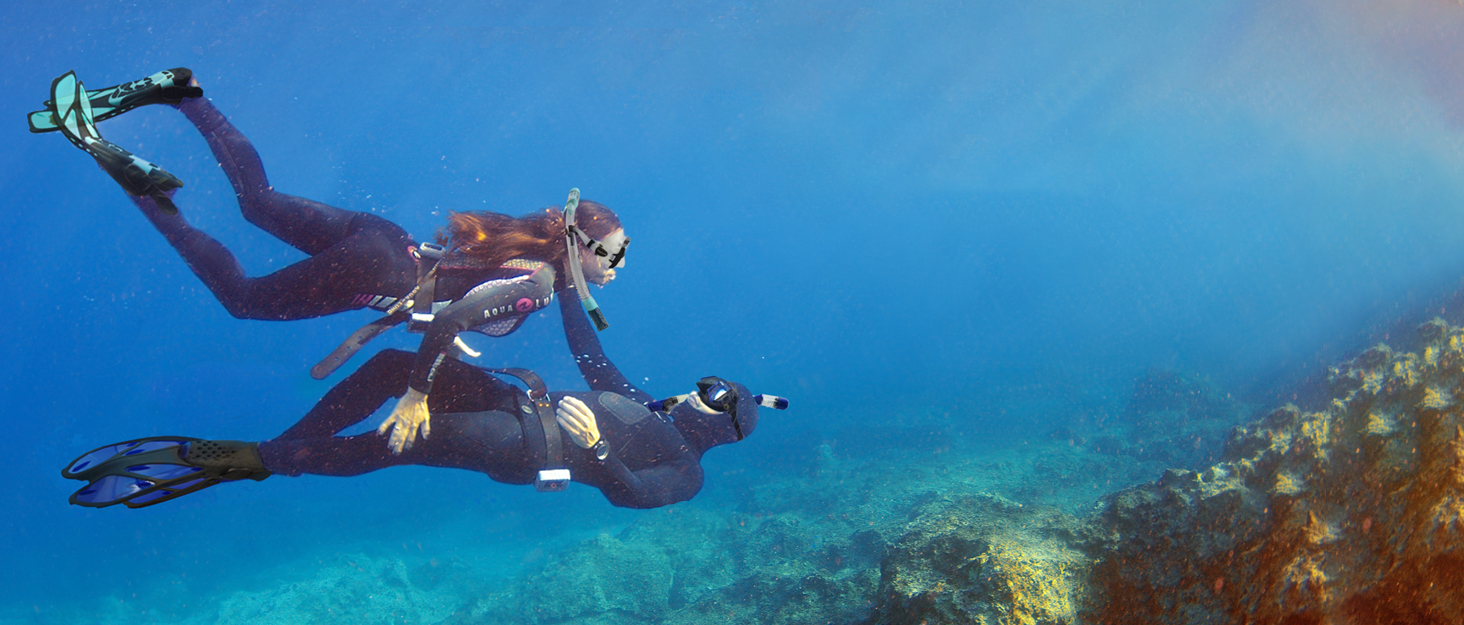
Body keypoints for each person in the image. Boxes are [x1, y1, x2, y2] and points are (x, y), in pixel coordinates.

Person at [33, 69, 631, 454]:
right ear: (578, 245)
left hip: (385, 241)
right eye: (612, 251)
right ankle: (133, 177)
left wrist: (452, 319)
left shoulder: (525, 251)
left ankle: (186, 94)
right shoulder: (544, 282)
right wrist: (416, 393)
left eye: (621, 254)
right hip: (370, 275)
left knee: (257, 203)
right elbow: (447, 319)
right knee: (241, 300)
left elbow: (455, 300)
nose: (617, 264)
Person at [62, 294, 785, 510]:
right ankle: (272, 451)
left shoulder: (687, 468)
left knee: (384, 446)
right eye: (707, 379)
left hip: (526, 449)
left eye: (714, 392)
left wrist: (593, 443)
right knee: (393, 368)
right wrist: (567, 278)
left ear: (726, 422)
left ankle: (228, 460)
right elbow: (590, 354)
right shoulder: (650, 406)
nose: (698, 388)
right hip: (517, 402)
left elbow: (633, 496)